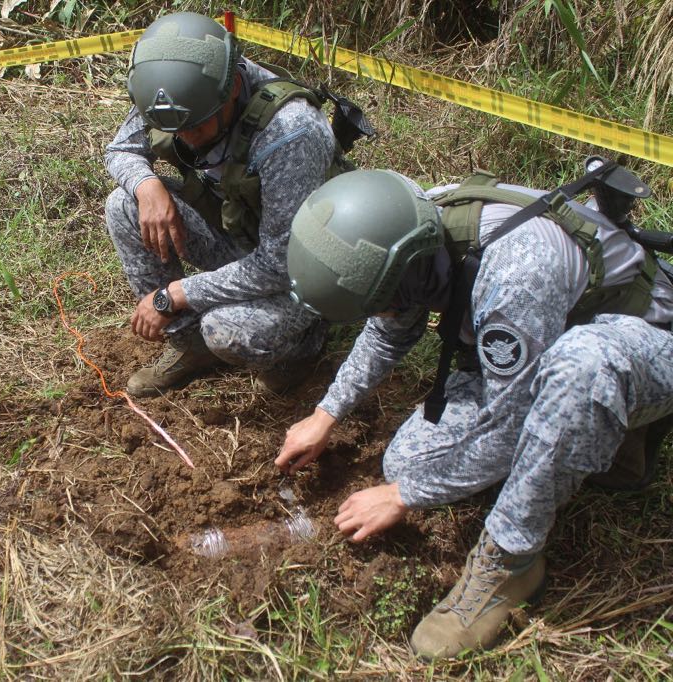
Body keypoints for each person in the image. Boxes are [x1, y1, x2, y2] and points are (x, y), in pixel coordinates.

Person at [273, 167, 673, 658]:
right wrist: (325, 415)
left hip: (644, 340)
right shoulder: (408, 229)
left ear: (404, 268)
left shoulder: (515, 271)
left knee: (579, 370)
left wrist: (404, 496)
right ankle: (592, 440)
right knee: (409, 462)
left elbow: (513, 422)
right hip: (543, 331)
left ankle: (512, 562)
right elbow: (388, 327)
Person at [104, 12, 358, 397]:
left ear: (233, 87)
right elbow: (121, 149)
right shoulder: (173, 92)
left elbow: (280, 263)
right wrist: (147, 186)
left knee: (226, 331)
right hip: (239, 234)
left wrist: (174, 295)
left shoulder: (290, 131)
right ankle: (190, 347)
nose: (186, 138)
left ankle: (306, 343)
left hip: (307, 268)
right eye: (176, 129)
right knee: (122, 204)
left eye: (198, 126)